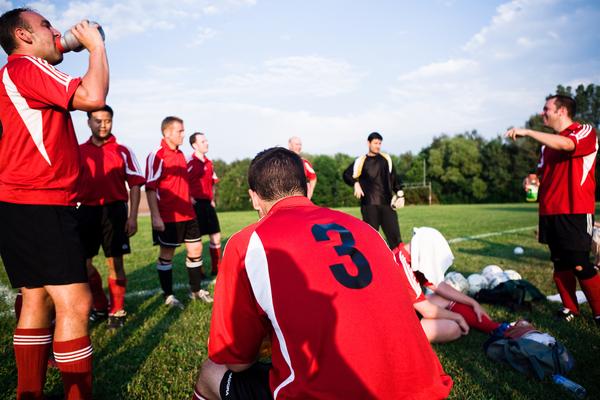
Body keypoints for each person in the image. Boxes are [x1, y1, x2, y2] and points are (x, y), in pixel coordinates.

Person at [192, 147, 452, 400]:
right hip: (424, 388)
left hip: (336, 391)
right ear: (306, 186)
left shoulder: (247, 243)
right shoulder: (368, 231)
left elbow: (237, 362)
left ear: (254, 197)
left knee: (210, 373)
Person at [0, 8, 108, 399]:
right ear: (22, 36)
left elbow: (58, 48)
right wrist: (95, 47)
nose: (56, 30)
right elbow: (93, 97)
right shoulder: (28, 67)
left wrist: (67, 44)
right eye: (46, 25)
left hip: (19, 202)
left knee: (36, 298)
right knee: (76, 302)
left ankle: (28, 392)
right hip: (40, 201)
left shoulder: (15, 72)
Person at [506, 94, 600, 325]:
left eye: (546, 108)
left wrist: (527, 131)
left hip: (575, 209)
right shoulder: (547, 147)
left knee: (579, 262)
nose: (542, 113)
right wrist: (530, 181)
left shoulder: (584, 131)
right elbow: (539, 174)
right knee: (559, 261)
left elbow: (567, 145)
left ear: (562, 111)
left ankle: (598, 311)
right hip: (549, 210)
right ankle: (570, 308)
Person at [76, 105, 145, 329]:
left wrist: (132, 217)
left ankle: (117, 309)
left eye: (107, 121)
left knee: (115, 262)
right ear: (88, 122)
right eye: (97, 121)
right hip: (85, 211)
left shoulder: (123, 151)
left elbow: (135, 184)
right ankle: (99, 305)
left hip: (115, 211)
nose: (103, 125)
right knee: (82, 264)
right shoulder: (78, 151)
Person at [145, 117, 213, 307]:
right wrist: (156, 216)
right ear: (167, 133)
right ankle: (168, 295)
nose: (183, 134)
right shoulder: (156, 155)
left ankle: (196, 290)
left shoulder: (181, 154)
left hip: (188, 213)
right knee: (167, 254)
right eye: (180, 131)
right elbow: (150, 187)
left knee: (196, 249)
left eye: (183, 131)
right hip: (168, 215)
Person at [393, 232, 504, 343]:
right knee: (453, 328)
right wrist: (457, 317)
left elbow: (439, 286)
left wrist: (473, 302)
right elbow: (427, 310)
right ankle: (396, 339)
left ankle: (495, 327)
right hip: (391, 323)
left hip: (399, 309)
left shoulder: (405, 255)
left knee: (443, 298)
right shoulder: (402, 267)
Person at [343, 132, 404, 248]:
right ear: (368, 143)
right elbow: (346, 175)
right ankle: (372, 265)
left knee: (395, 239)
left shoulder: (386, 159)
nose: (378, 146)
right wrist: (355, 183)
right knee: (370, 241)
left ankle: (399, 265)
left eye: (380, 143)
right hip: (369, 205)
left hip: (387, 204)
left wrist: (400, 193)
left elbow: (394, 178)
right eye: (375, 143)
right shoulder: (360, 161)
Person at [188, 132, 222, 276]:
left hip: (208, 204)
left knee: (216, 237)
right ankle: (199, 271)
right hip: (195, 205)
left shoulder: (209, 162)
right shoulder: (188, 161)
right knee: (197, 241)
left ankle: (217, 268)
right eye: (203, 141)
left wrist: (212, 199)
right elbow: (182, 181)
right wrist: (189, 198)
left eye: (206, 140)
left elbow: (213, 182)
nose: (206, 143)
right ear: (195, 145)